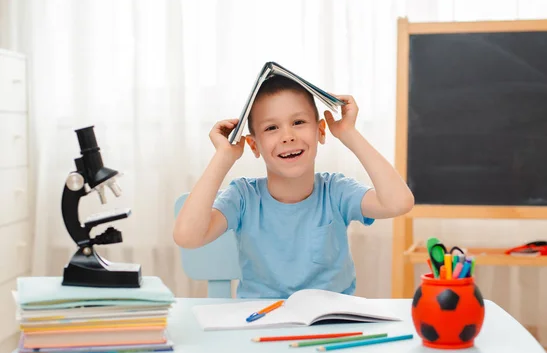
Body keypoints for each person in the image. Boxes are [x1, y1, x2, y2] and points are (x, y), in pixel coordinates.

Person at [173, 75, 414, 298]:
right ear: (254, 146)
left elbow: (398, 203)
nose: (287, 136)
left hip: (331, 326)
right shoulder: (243, 197)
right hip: (261, 323)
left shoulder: (336, 191)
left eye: (298, 122)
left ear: (320, 130)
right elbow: (187, 237)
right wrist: (224, 156)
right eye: (271, 128)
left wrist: (348, 133)